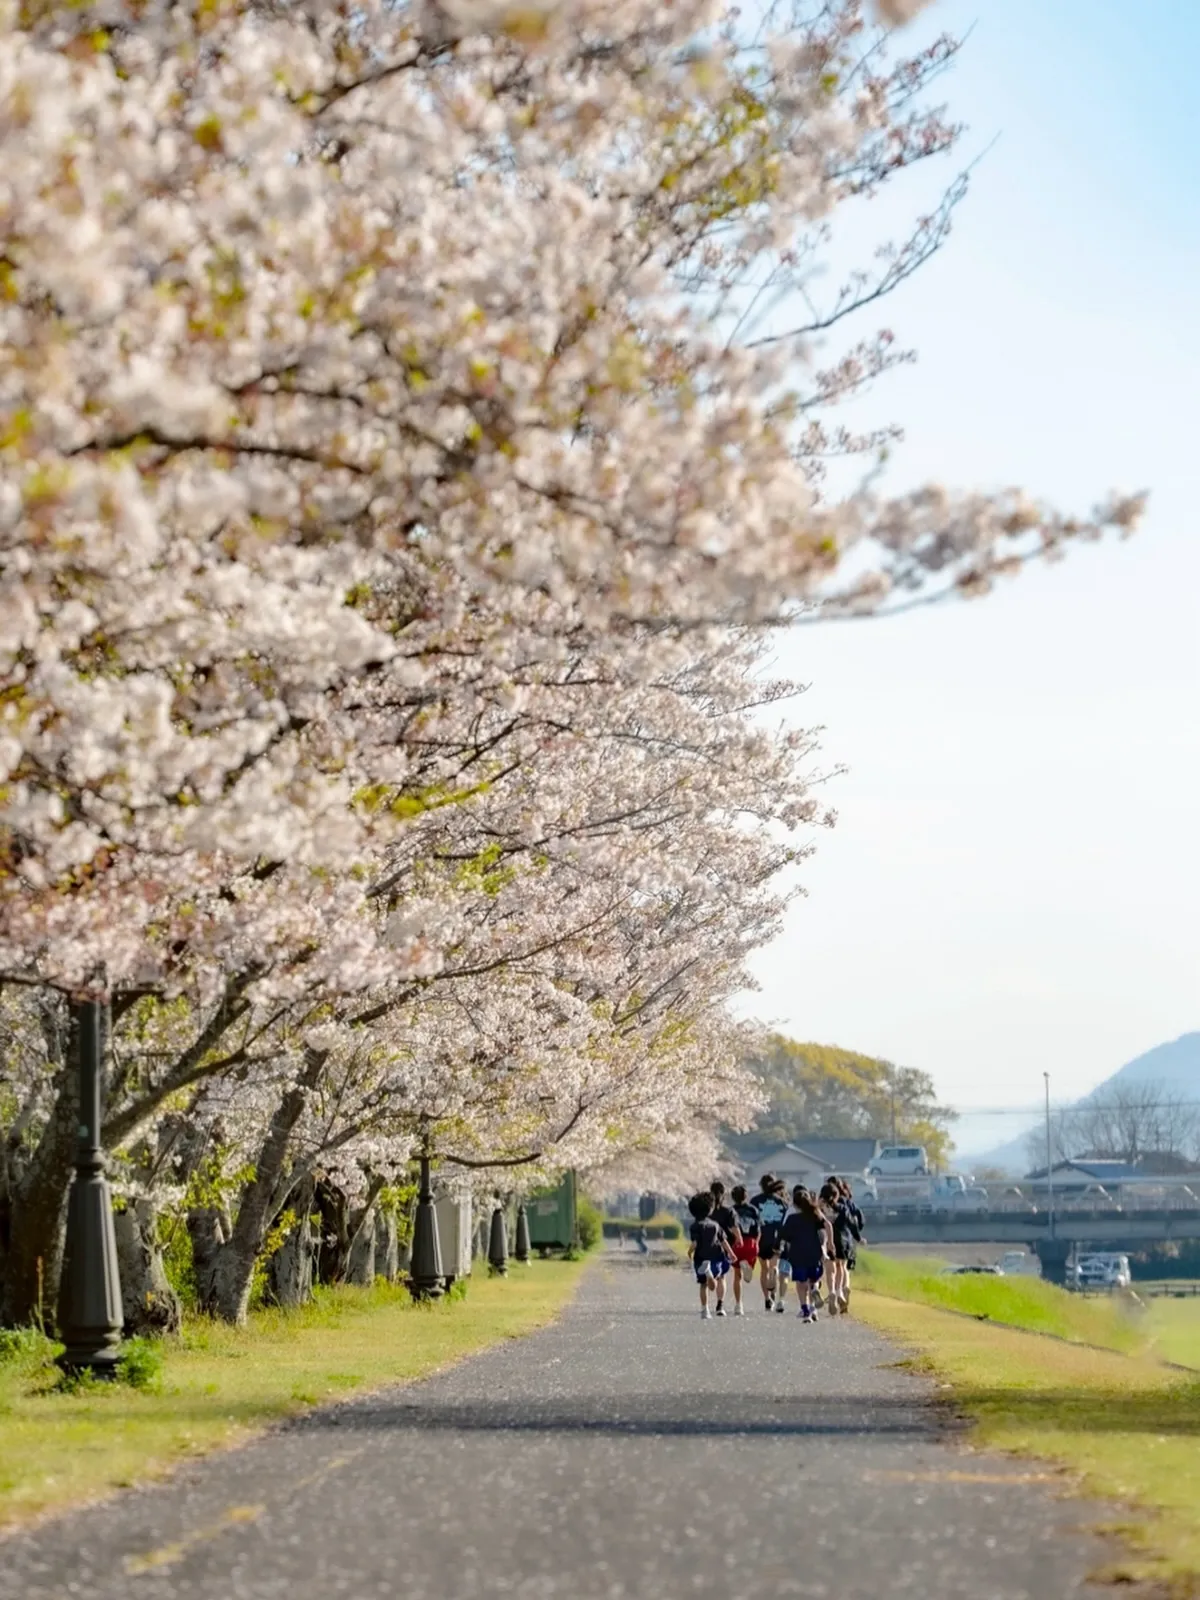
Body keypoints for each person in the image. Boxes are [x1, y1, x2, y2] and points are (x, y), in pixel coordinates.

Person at [781, 1185, 833, 1323]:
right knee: (813, 1281)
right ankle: (814, 1301)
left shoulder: (792, 1219)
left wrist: (778, 1248)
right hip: (815, 1254)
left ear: (795, 1204)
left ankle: (805, 1309)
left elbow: (783, 1236)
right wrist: (830, 1243)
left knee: (801, 1283)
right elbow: (828, 1225)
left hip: (798, 1255)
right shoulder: (815, 1215)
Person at [687, 1191, 736, 1320]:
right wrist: (731, 1253)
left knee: (704, 1285)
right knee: (715, 1282)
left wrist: (689, 1251)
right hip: (716, 1256)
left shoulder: (695, 1226)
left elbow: (695, 1243)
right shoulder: (715, 1225)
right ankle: (710, 1274)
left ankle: (705, 1310)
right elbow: (723, 1241)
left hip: (701, 1257)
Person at [820, 1180, 861, 1315]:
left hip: (827, 1241)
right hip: (842, 1241)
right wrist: (858, 1238)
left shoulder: (820, 1209)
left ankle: (831, 1291)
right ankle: (839, 1292)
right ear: (836, 1195)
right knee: (841, 1267)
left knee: (830, 1270)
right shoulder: (842, 1208)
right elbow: (851, 1224)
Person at [750, 1175, 789, 1313]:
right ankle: (775, 1273)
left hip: (761, 1238)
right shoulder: (782, 1203)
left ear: (761, 1185)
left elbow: (751, 1221)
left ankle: (767, 1299)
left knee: (763, 1269)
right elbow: (786, 1223)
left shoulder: (754, 1201)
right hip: (776, 1238)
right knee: (774, 1265)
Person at [709, 1181, 746, 1316]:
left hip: (708, 1245)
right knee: (722, 1277)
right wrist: (739, 1239)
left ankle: (710, 1277)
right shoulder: (729, 1211)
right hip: (724, 1245)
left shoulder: (707, 1210)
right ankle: (720, 1304)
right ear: (724, 1195)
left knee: (711, 1273)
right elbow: (734, 1227)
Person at [729, 1184, 761, 1314]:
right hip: (751, 1243)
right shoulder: (753, 1210)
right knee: (748, 1269)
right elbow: (758, 1230)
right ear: (746, 1196)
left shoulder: (730, 1211)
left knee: (737, 1276)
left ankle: (738, 1305)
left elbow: (728, 1229)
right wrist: (757, 1244)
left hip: (736, 1244)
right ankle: (748, 1265)